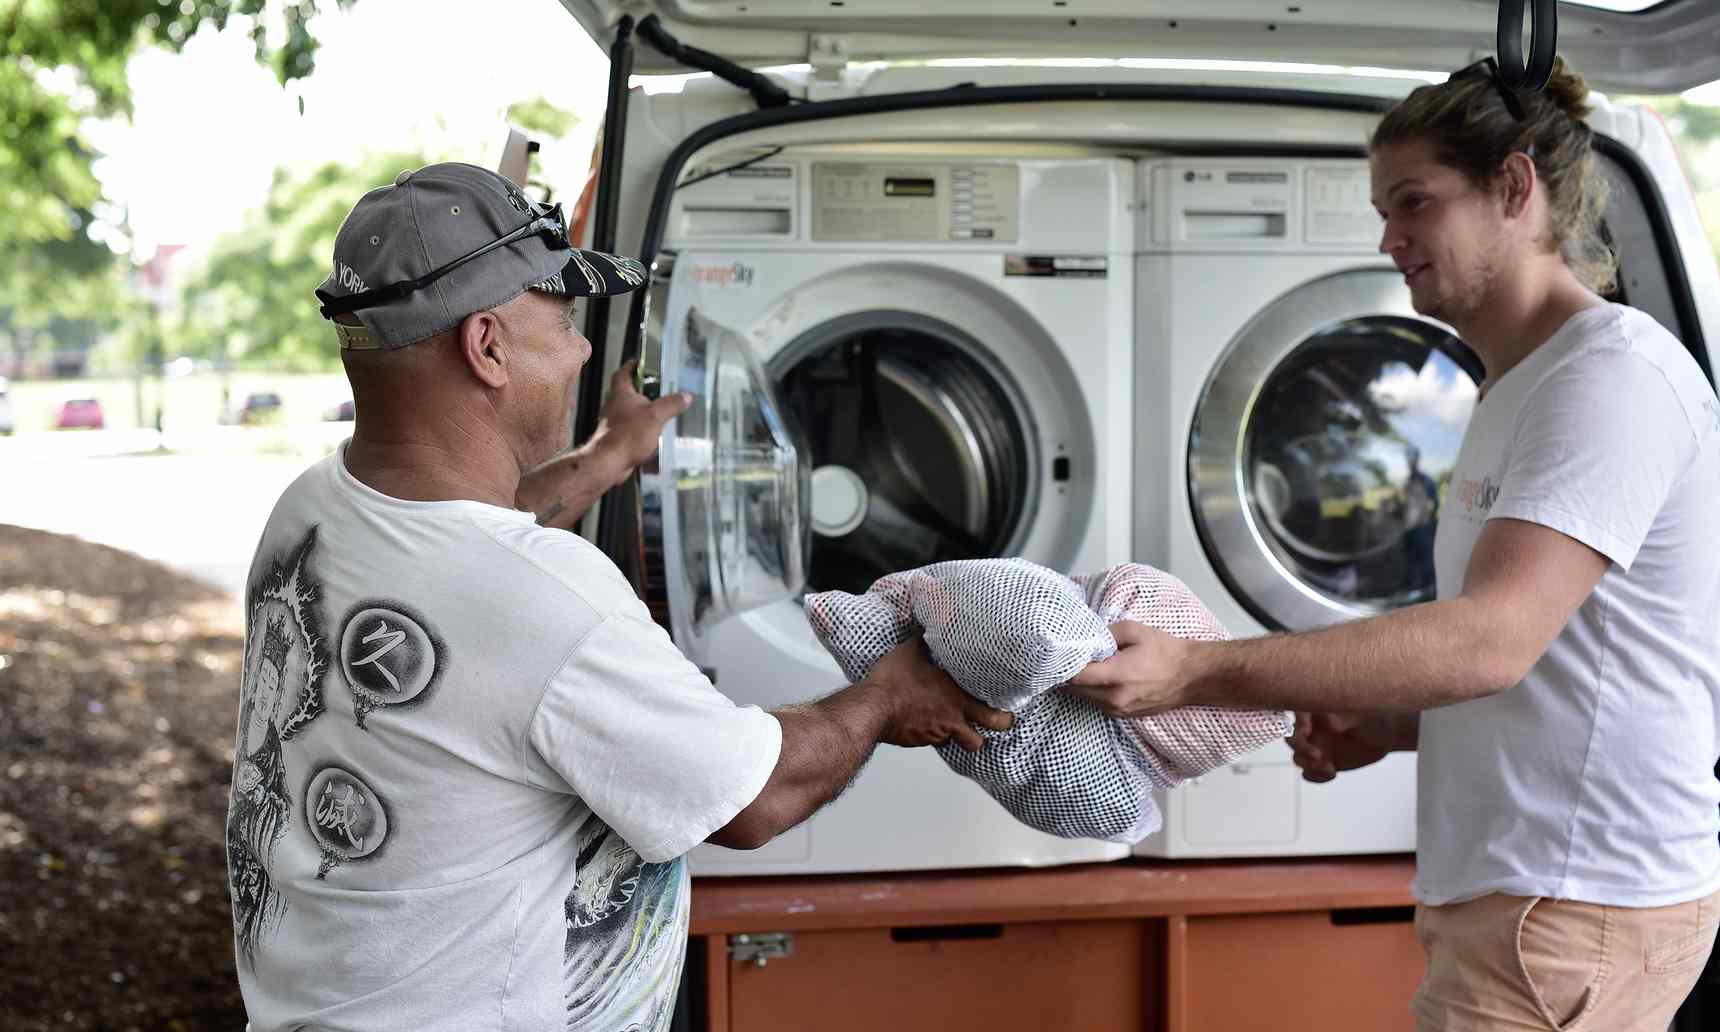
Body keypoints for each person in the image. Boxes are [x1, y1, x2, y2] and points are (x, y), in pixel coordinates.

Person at [224, 161, 1011, 1032]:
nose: (585, 348)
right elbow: (753, 798)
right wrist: (886, 696)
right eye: (561, 318)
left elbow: (474, 542)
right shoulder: (547, 600)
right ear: (486, 347)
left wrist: (606, 457)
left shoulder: (315, 508)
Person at [1068, 57, 1720, 1031]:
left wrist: (1192, 673)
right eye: (1383, 210)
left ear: (1512, 187)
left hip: (1572, 901)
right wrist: (1386, 720)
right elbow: (1566, 668)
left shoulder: (1608, 379)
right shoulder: (1516, 386)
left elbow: (1487, 641)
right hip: (1532, 895)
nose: (1389, 240)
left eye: (1413, 204)